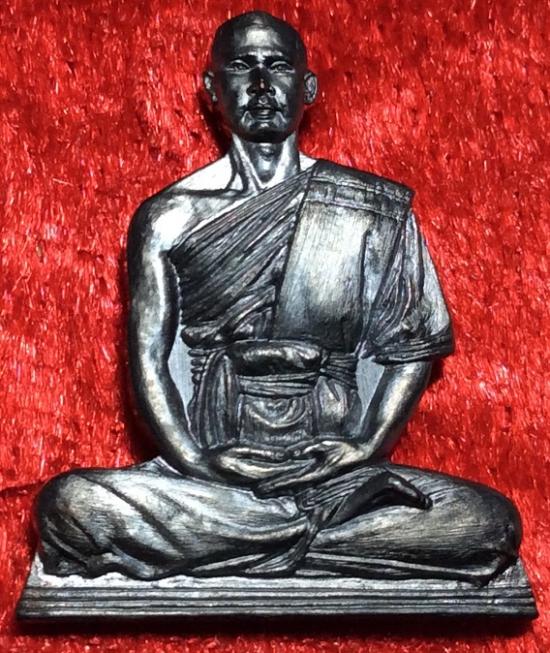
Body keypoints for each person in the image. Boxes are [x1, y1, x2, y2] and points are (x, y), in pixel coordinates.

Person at [36, 11, 521, 583]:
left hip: (335, 467)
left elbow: (411, 348)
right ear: (213, 88)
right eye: (242, 67)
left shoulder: (369, 206)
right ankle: (307, 536)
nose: (262, 85)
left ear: (307, 88)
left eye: (279, 67)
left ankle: (243, 543)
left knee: (489, 523)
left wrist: (365, 446)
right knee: (70, 505)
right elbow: (150, 362)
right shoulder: (168, 218)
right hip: (216, 476)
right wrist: (196, 461)